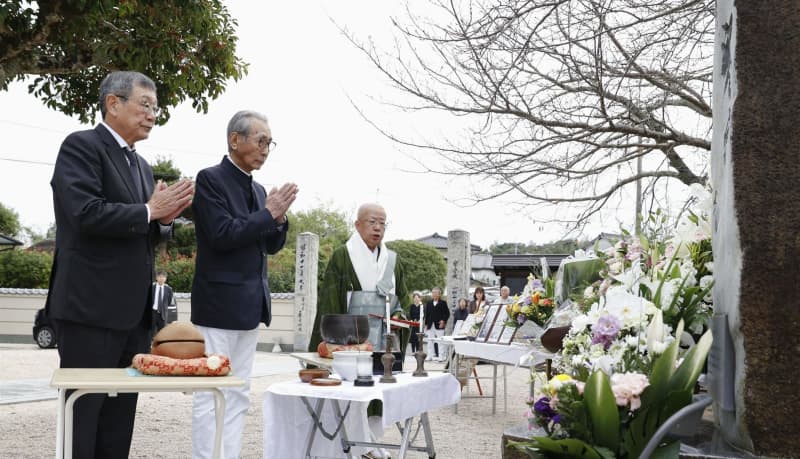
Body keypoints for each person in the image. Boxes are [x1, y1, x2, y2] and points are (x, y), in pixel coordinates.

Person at [45, 70, 194, 458]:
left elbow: (141, 230)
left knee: (119, 421)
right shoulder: (81, 147)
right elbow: (84, 213)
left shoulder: (141, 166)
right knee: (83, 415)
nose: (152, 115)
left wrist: (162, 222)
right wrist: (148, 209)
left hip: (133, 315)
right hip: (88, 310)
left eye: (156, 108)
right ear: (113, 103)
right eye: (145, 105)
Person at [190, 110, 297, 459]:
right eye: (260, 140)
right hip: (219, 305)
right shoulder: (210, 180)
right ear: (235, 140)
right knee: (211, 392)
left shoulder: (259, 188)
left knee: (238, 392)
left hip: (251, 305)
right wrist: (268, 214)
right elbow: (222, 235)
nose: (266, 149)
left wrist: (278, 220)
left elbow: (268, 244)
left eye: (270, 143)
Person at [308, 202, 409, 459]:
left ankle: (372, 442)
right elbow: (331, 299)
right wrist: (336, 340)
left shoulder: (393, 260)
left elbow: (402, 300)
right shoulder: (344, 255)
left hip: (383, 338)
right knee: (352, 390)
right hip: (351, 338)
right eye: (372, 222)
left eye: (382, 223)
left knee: (377, 391)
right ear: (357, 225)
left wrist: (399, 315)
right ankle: (350, 446)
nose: (378, 228)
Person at [424, 287, 449, 362]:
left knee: (440, 341)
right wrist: (426, 324)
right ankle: (430, 355)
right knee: (430, 340)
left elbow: (447, 313)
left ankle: (441, 356)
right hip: (430, 324)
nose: (434, 294)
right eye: (433, 293)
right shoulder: (429, 303)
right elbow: (427, 314)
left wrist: (443, 321)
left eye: (435, 293)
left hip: (439, 324)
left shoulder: (443, 303)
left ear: (439, 294)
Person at [151, 270, 177, 336]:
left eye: (163, 277)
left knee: (162, 333)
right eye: (159, 277)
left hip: (163, 314)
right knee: (151, 332)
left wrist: (163, 308)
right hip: (153, 312)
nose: (161, 278)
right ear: (156, 278)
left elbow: (168, 301)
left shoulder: (169, 289)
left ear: (166, 278)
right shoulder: (152, 288)